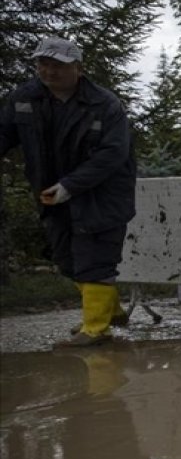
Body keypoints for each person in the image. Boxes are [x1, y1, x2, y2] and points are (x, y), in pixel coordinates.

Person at [0, 37, 136, 347]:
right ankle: (110, 311)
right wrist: (59, 190)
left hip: (102, 195)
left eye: (57, 65)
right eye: (42, 64)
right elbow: (4, 133)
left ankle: (96, 330)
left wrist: (70, 186)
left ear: (78, 68)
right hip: (52, 192)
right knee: (66, 259)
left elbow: (113, 154)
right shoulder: (25, 98)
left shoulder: (105, 105)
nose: (48, 71)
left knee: (95, 258)